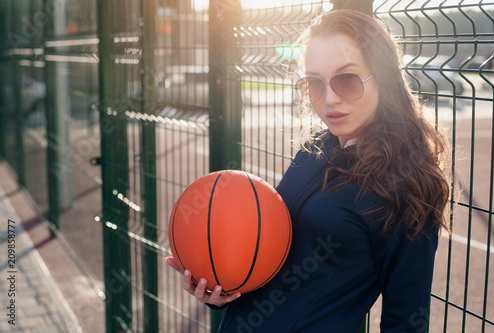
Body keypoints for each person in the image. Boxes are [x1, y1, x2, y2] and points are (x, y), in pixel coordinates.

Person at [167, 9, 451, 332]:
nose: (330, 99)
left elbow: (406, 321)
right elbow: (266, 259)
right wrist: (222, 289)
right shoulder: (316, 149)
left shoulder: (405, 183)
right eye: (315, 84)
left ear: (383, 77)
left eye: (347, 79)